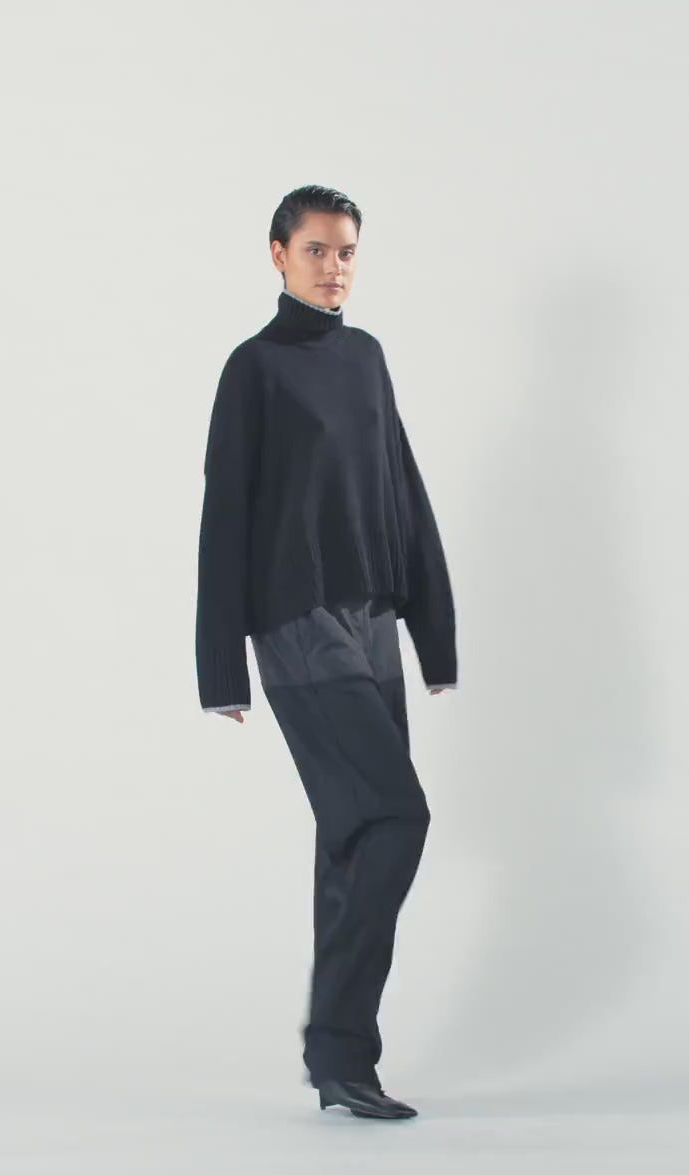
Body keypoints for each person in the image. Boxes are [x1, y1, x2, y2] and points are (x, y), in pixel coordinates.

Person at [195, 185, 458, 1120]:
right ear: (277, 255)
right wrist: (220, 665)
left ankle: (342, 1066)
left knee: (354, 835)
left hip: (371, 618)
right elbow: (226, 512)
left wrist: (432, 634)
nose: (333, 267)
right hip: (295, 620)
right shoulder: (254, 369)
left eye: (346, 252)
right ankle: (337, 1045)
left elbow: (401, 489)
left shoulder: (366, 358)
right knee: (396, 815)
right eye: (315, 250)